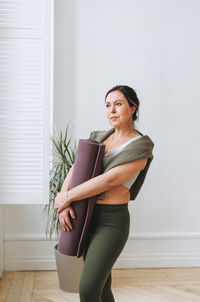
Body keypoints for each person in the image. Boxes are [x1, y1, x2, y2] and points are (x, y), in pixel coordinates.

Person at [54, 85, 153, 302]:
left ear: (133, 108)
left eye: (118, 104)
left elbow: (109, 180)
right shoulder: (99, 137)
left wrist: (69, 197)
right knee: (102, 289)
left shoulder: (141, 147)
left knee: (88, 289)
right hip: (85, 216)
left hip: (111, 223)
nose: (112, 110)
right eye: (108, 105)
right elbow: (76, 168)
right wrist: (63, 201)